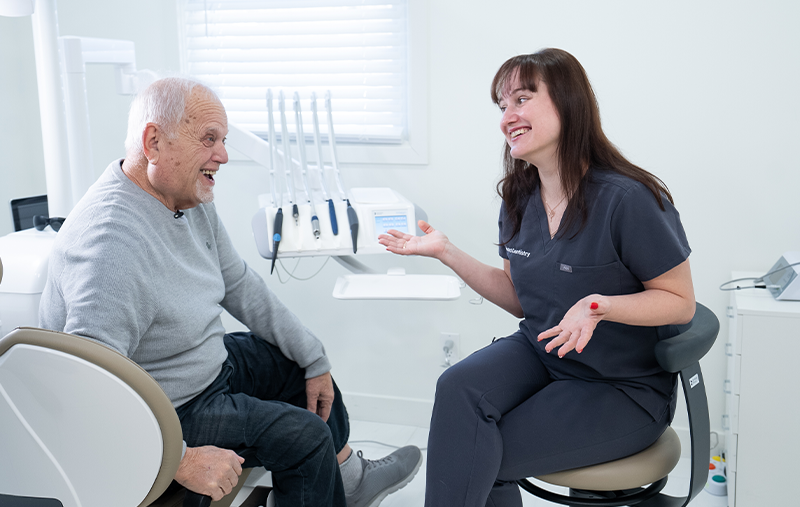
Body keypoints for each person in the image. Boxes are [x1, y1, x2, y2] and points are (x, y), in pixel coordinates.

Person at [39, 77, 421, 507]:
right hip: (171, 408)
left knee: (296, 365)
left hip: (201, 364)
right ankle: (328, 480)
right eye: (209, 139)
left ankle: (347, 481)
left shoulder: (183, 199)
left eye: (222, 139)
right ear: (153, 142)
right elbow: (91, 386)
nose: (222, 155)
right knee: (306, 438)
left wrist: (314, 357)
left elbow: (237, 282)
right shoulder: (111, 242)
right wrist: (178, 460)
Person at [379, 48, 695, 507]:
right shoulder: (519, 197)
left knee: (485, 453)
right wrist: (446, 252)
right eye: (502, 105)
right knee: (457, 388)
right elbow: (521, 300)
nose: (508, 116)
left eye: (522, 99)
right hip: (543, 349)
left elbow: (679, 301)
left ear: (567, 104)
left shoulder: (629, 199)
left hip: (620, 385)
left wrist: (600, 306)